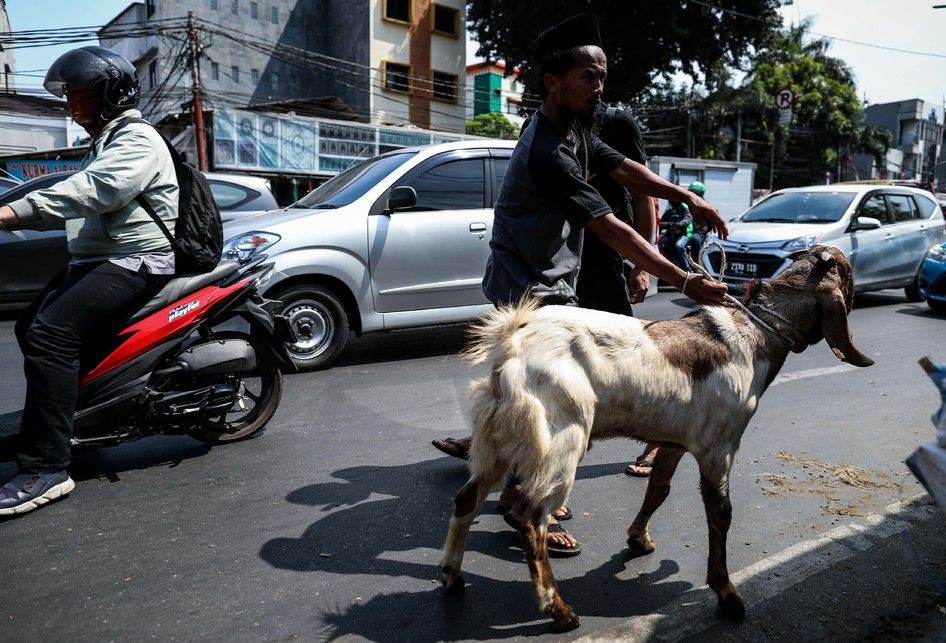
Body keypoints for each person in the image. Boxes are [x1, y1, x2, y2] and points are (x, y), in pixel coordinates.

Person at [433, 14, 728, 555]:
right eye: (589, 76)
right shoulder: (546, 149)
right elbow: (609, 227)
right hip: (526, 288)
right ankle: (527, 505)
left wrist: (687, 197)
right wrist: (684, 278)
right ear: (553, 81)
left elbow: (627, 171)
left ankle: (510, 479)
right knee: (554, 399)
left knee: (537, 395)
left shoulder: (578, 131)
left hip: (550, 282)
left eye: (603, 76)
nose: (600, 86)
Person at [0, 46, 179, 517]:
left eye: (79, 92)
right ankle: (73, 418)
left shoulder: (136, 139)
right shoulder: (106, 139)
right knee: (28, 327)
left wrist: (13, 210)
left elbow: (98, 189)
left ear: (110, 93)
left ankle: (47, 469)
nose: (70, 102)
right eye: (70, 93)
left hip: (136, 260)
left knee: (51, 334)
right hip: (100, 260)